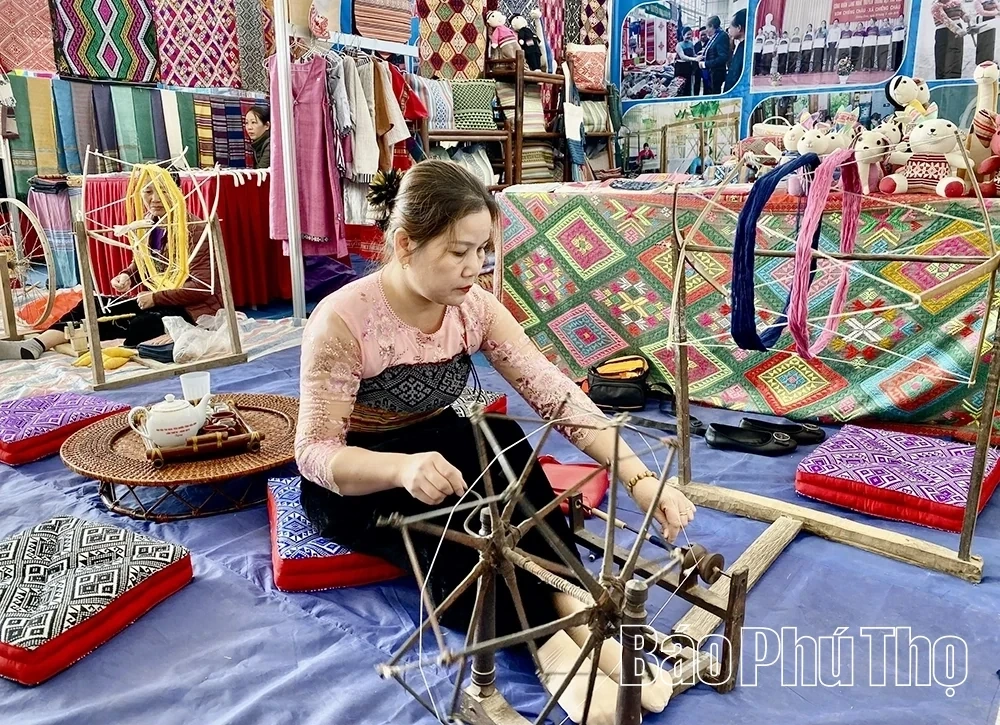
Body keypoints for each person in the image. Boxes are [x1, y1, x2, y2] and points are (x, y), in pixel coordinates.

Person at [294, 160, 693, 723]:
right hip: (363, 477)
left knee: (502, 442)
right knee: (457, 535)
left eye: (483, 251)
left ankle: (572, 606)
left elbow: (553, 393)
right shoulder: (342, 320)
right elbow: (313, 454)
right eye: (459, 252)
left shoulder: (475, 307)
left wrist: (640, 476)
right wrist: (402, 470)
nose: (475, 268)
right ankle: (552, 643)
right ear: (405, 244)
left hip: (442, 442)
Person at [58, 175, 223, 347]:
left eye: (164, 191)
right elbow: (144, 266)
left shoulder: (195, 230)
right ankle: (39, 343)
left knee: (139, 324)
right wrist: (127, 276)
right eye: (148, 191)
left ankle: (87, 341)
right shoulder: (148, 223)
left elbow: (202, 287)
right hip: (159, 299)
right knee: (89, 305)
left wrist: (156, 298)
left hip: (193, 308)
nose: (155, 199)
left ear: (179, 192)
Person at [932, 0, 971, 79]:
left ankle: (954, 81)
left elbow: (962, 13)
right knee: (943, 59)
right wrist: (956, 29)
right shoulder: (936, 6)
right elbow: (944, 19)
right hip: (944, 32)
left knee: (955, 58)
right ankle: (942, 82)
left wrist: (966, 17)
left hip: (957, 31)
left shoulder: (956, 3)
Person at [701, 15, 731, 94]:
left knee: (713, 95)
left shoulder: (722, 36)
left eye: (707, 27)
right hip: (710, 73)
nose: (706, 30)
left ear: (712, 26)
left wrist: (705, 64)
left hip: (716, 74)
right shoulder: (715, 36)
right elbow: (714, 51)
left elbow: (723, 57)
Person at [724, 9, 746, 92]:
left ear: (739, 28)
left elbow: (735, 75)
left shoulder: (744, 48)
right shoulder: (740, 45)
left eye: (730, 27)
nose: (729, 30)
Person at [675, 27, 700, 94]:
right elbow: (683, 57)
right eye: (688, 34)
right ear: (683, 34)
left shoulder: (691, 44)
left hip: (688, 67)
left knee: (688, 86)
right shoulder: (679, 45)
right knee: (679, 86)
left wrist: (700, 56)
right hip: (680, 68)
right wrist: (694, 59)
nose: (689, 36)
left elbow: (693, 54)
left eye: (691, 34)